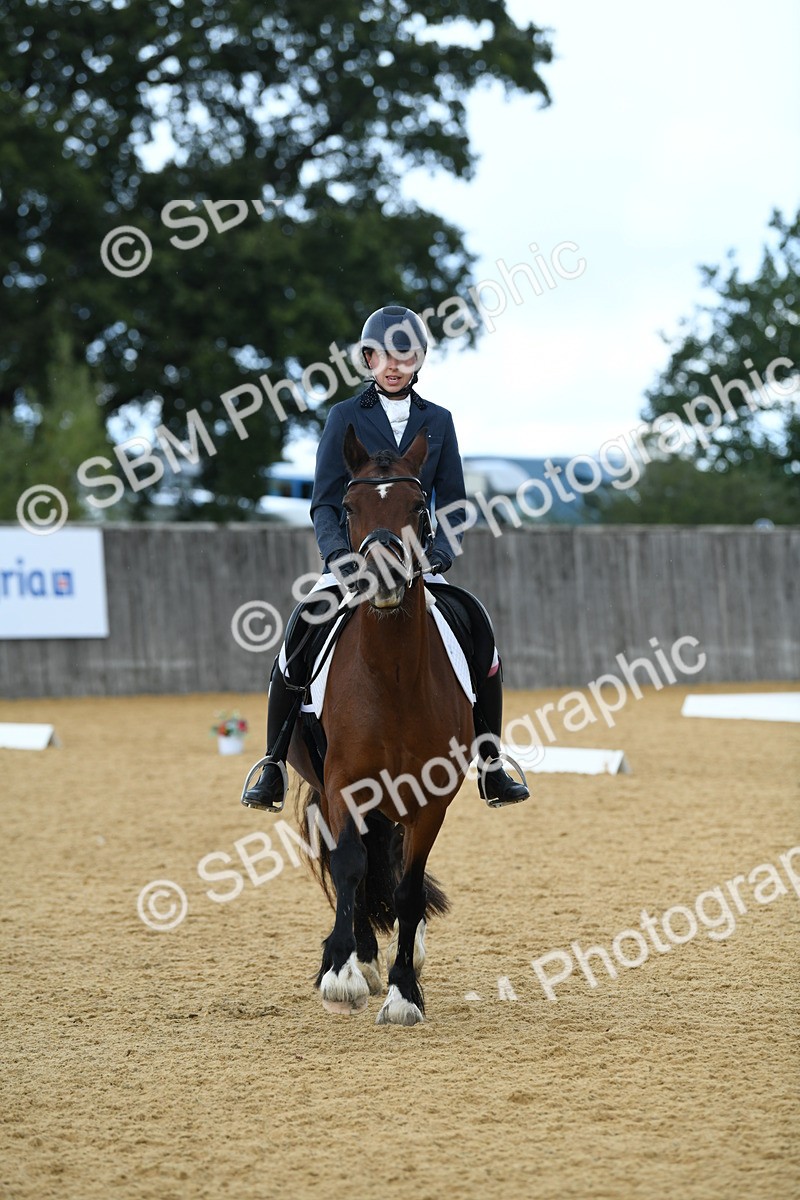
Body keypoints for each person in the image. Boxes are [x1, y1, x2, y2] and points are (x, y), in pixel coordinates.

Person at [242, 304, 530, 812]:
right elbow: (326, 501)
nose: (393, 366)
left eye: (404, 355)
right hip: (354, 564)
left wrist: (438, 553)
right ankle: (271, 765)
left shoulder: (437, 421)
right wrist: (337, 557)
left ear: (419, 360)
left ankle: (489, 761)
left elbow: (455, 504)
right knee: (297, 632)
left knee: (480, 630)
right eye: (382, 356)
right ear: (367, 359)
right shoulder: (344, 417)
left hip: (418, 565)